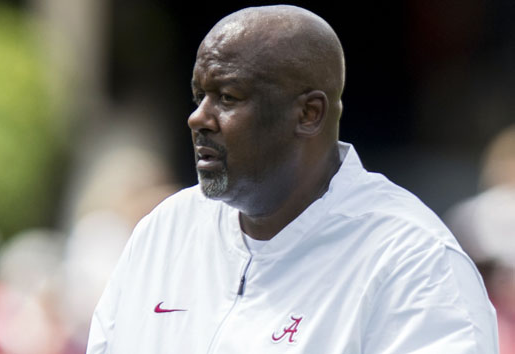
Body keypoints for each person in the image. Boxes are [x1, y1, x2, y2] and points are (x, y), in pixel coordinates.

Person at [86, 5, 498, 353]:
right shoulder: (165, 232)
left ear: (309, 114)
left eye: (227, 97)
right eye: (199, 97)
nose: (198, 118)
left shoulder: (412, 262)